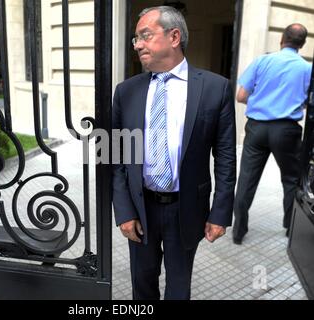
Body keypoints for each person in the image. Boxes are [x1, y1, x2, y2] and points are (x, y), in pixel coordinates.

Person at [112, 6, 236, 300]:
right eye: (135, 39)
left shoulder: (214, 89)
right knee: (142, 284)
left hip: (187, 207)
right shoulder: (126, 91)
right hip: (141, 208)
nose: (138, 44)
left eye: (145, 35)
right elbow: (116, 156)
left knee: (179, 287)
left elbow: (226, 157)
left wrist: (220, 212)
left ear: (174, 36)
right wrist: (124, 211)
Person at [232, 24, 312, 245]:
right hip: (287, 130)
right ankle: (290, 227)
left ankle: (238, 231)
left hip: (257, 128)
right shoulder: (307, 69)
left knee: (247, 178)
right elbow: (308, 102)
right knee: (291, 180)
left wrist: (260, 101)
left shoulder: (262, 61)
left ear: (282, 39)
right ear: (302, 44)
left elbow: (240, 96)